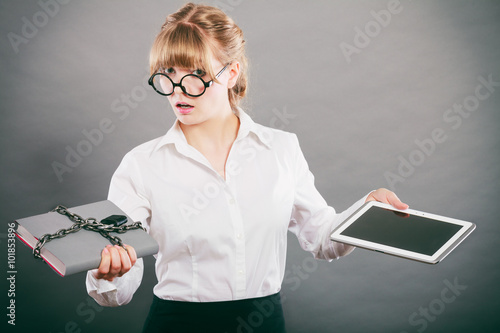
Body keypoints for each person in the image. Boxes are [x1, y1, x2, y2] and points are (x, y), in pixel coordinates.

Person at [85, 3, 408, 332]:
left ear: (232, 73)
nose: (178, 90)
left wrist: (367, 210)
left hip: (264, 324)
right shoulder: (142, 165)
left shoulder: (281, 149)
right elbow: (119, 284)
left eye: (195, 74)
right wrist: (108, 274)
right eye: (168, 73)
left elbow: (324, 240)